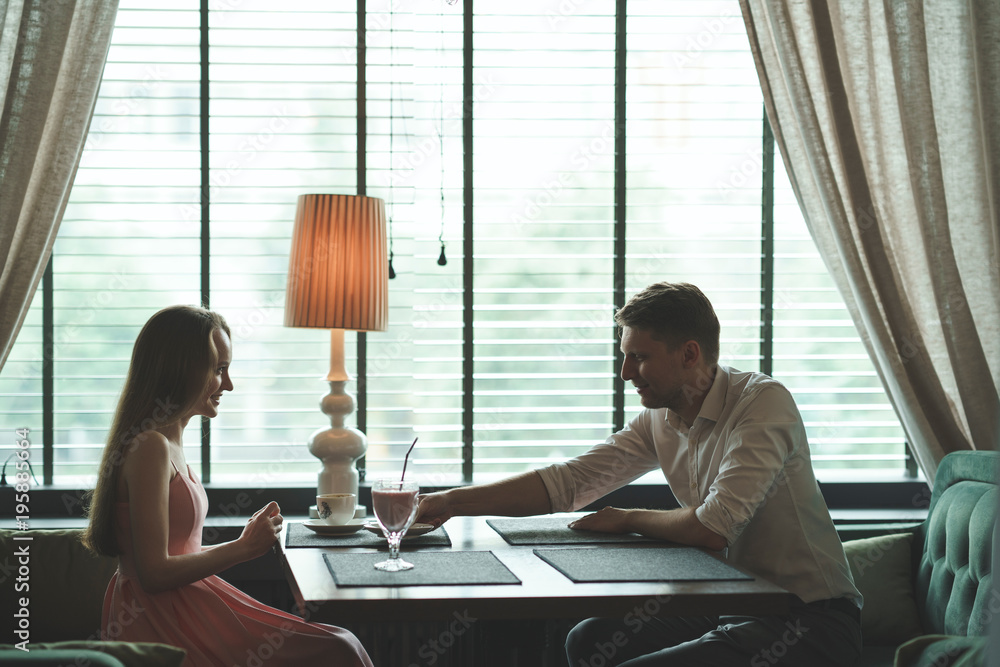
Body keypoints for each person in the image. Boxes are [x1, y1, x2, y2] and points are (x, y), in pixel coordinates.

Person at [417, 282, 863, 666]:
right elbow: (569, 483)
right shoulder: (661, 419)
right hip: (729, 604)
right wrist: (451, 502)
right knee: (589, 639)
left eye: (639, 357)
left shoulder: (762, 404)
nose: (626, 373)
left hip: (807, 618)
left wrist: (628, 518)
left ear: (689, 354)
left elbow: (713, 527)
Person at [83, 305, 372, 667]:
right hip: (159, 616)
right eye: (219, 370)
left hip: (183, 602)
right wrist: (242, 548)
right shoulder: (150, 447)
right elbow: (154, 573)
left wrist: (249, 539)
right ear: (181, 368)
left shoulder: (169, 443)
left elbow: (176, 550)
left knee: (341, 644)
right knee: (339, 648)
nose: (229, 384)